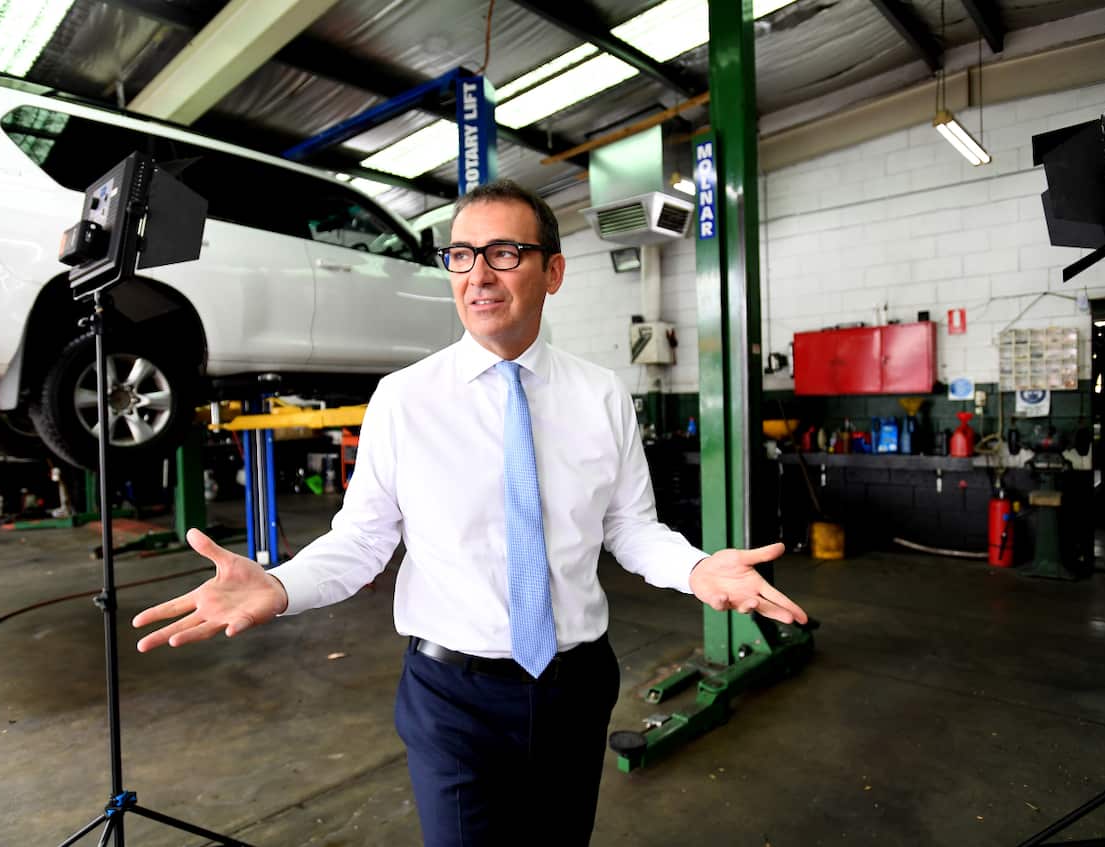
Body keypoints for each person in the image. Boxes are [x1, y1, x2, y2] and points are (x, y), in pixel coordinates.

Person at [133, 179, 809, 846]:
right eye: (461, 254)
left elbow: (628, 526)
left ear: (554, 271)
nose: (478, 274)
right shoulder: (403, 400)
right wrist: (281, 584)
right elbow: (364, 539)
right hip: (452, 698)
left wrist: (695, 569)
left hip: (575, 687)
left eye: (504, 253)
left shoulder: (602, 395)